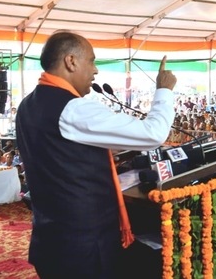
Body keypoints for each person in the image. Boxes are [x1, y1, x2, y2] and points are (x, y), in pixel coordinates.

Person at [16, 32, 177, 279]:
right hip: (85, 248)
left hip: (52, 239)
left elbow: (57, 155)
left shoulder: (28, 104)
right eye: (91, 61)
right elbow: (153, 133)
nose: (96, 71)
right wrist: (164, 91)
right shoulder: (73, 108)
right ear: (71, 61)